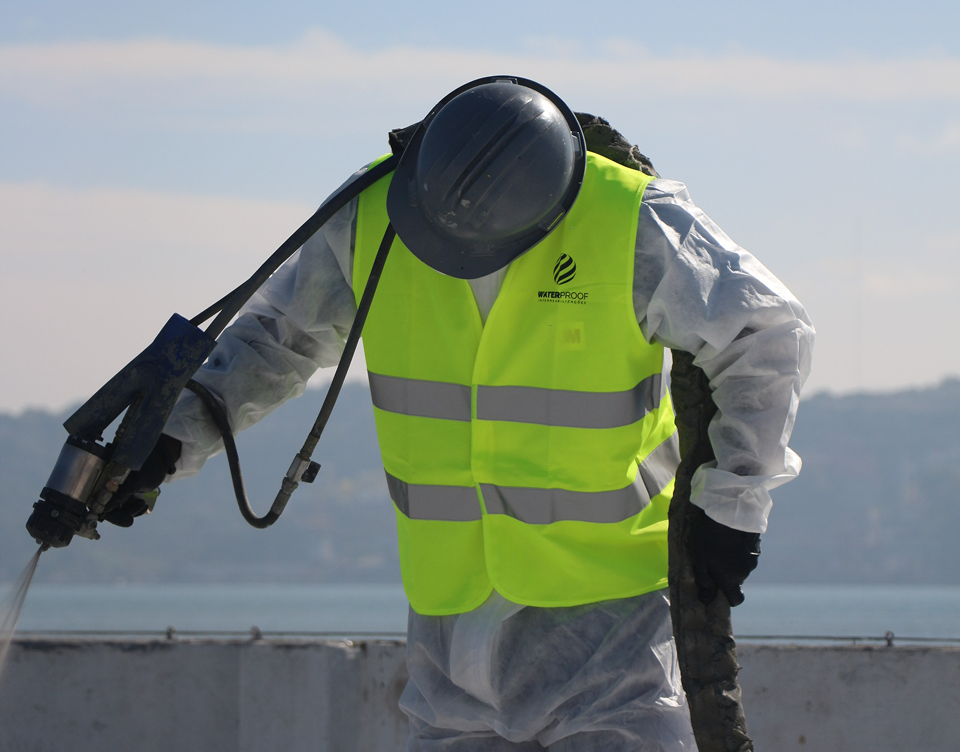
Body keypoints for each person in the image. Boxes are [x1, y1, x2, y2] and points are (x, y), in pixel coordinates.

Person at [115, 77, 814, 751]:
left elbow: (764, 331)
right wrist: (169, 438)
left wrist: (734, 504)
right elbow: (274, 335)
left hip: (608, 619)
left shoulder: (630, 219)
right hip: (450, 624)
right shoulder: (372, 215)